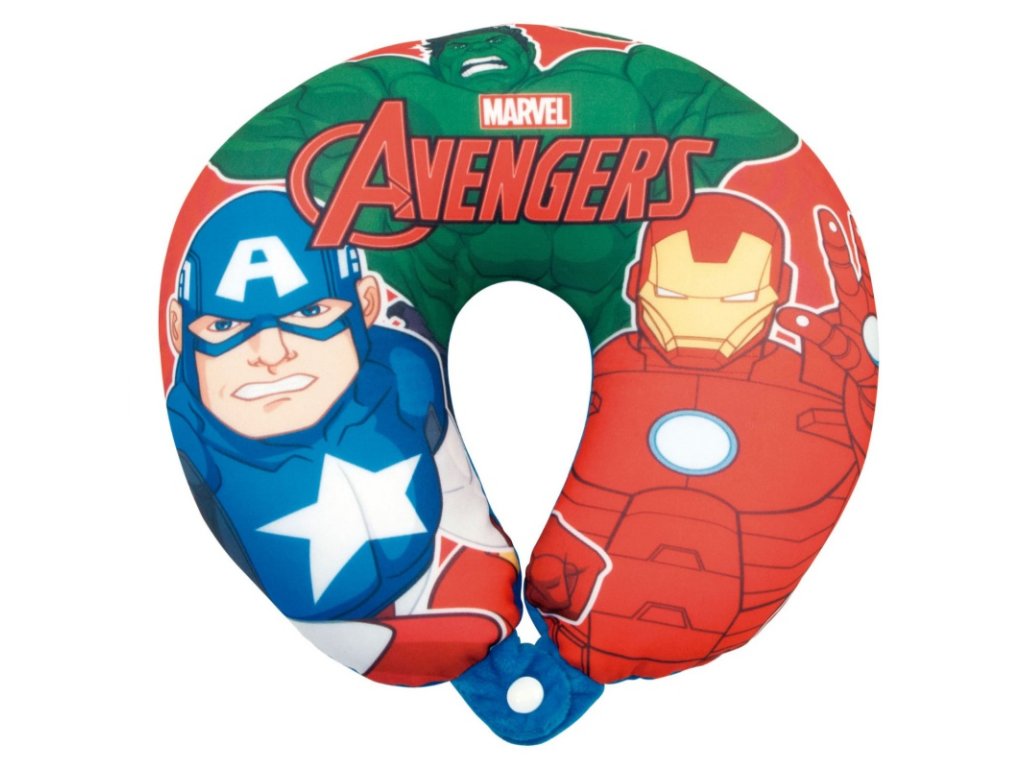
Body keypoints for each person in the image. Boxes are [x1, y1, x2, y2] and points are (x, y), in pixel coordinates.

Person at [167, 188, 519, 684]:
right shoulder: (194, 450)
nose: (271, 352)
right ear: (179, 331)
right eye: (225, 325)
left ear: (367, 303)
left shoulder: (406, 375)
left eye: (310, 314)